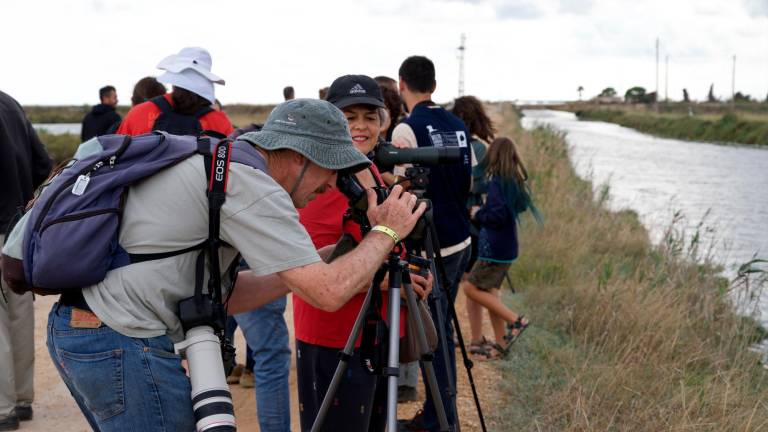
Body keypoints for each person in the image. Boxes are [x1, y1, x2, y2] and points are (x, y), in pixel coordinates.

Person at [43, 98, 427, 431]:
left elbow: (231, 296)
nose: (331, 186)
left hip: (87, 330)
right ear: (299, 157)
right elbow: (327, 294)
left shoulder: (226, 164)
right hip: (117, 336)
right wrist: (386, 231)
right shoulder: (253, 186)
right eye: (332, 169)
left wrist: (317, 264)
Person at [293, 75, 432, 432]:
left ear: (382, 121)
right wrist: (387, 281)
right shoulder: (320, 176)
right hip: (332, 336)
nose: (360, 126)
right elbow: (309, 268)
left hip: (372, 333)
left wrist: (409, 272)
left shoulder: (368, 168)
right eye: (349, 116)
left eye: (369, 117)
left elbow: (377, 241)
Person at [392, 55, 473, 432]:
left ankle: (442, 419)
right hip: (460, 240)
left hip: (429, 248)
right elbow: (468, 185)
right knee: (442, 328)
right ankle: (441, 413)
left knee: (433, 335)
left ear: (401, 84)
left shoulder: (406, 132)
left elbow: (399, 196)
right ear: (435, 86)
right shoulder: (459, 126)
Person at [0, 90, 52, 431]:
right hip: (18, 226)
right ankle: (21, 399)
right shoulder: (10, 103)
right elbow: (42, 165)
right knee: (18, 312)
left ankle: (3, 408)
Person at [460, 137, 539, 358]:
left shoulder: (497, 182)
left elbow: (497, 215)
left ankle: (516, 321)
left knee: (470, 288)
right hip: (507, 247)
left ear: (493, 156)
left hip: (493, 249)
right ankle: (502, 345)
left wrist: (478, 213)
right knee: (490, 294)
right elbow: (512, 210)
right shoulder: (513, 180)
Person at [450, 95, 497, 358]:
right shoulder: (478, 147)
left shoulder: (455, 145)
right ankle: (476, 338)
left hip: (458, 218)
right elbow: (482, 184)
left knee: (459, 282)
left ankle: (457, 333)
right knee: (471, 284)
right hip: (472, 223)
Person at [117, 47, 233, 137]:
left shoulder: (138, 114)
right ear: (205, 81)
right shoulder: (220, 123)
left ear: (173, 78)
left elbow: (116, 160)